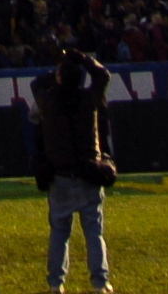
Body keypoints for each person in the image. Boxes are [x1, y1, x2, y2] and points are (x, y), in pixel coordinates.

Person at [32, 48, 115, 294]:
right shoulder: (89, 100)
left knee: (59, 232)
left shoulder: (48, 102)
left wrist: (59, 70)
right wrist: (82, 59)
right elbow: (103, 76)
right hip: (89, 173)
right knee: (93, 231)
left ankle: (55, 283)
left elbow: (37, 83)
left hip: (60, 176)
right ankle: (100, 283)